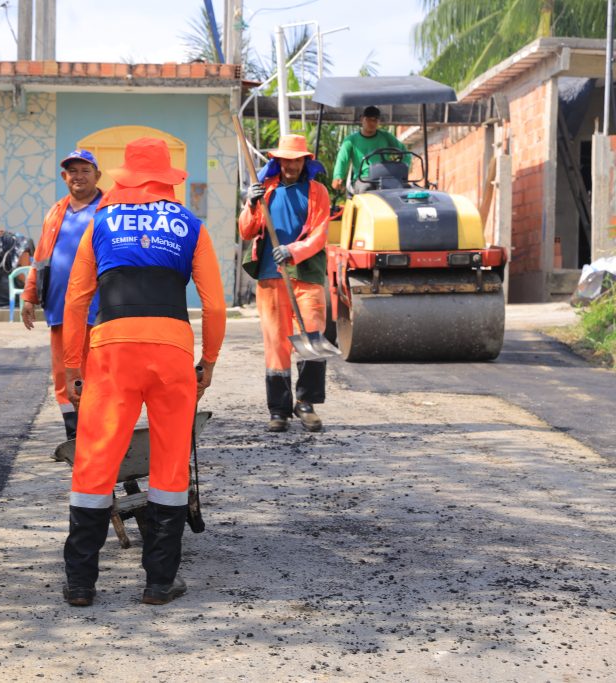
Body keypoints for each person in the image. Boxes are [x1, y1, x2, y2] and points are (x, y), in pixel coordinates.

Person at [60, 137, 227, 607]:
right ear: (167, 179)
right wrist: (208, 361)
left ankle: (80, 583)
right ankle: (159, 582)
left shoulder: (101, 222)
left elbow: (76, 299)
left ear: (126, 178)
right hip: (173, 350)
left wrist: (73, 363)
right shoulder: (191, 225)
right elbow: (214, 306)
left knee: (95, 460)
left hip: (112, 350)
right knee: (170, 463)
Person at [239, 134, 330, 433]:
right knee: (275, 343)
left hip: (306, 275)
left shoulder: (317, 191)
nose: (291, 165)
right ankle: (279, 410)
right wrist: (251, 204)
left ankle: (306, 404)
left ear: (305, 161)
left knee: (311, 339)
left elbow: (319, 234)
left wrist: (293, 251)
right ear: (278, 162)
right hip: (270, 275)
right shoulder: (266, 191)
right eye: (286, 160)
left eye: (297, 159)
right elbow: (246, 230)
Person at [21, 149, 103, 440]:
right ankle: (74, 436)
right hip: (59, 309)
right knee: (63, 375)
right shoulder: (56, 211)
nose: (78, 176)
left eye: (85, 170)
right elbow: (41, 257)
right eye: (73, 171)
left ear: (97, 176)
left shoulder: (109, 209)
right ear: (64, 176)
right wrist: (29, 295)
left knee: (96, 373)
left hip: (99, 311)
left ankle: (96, 434)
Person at [331, 105, 406, 193]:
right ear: (362, 119)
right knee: (366, 189)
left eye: (375, 120)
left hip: (385, 177)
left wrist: (404, 166)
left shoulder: (386, 137)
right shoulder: (351, 141)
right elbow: (342, 160)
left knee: (404, 190)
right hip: (363, 179)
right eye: (369, 119)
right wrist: (338, 176)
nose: (372, 123)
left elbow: (404, 152)